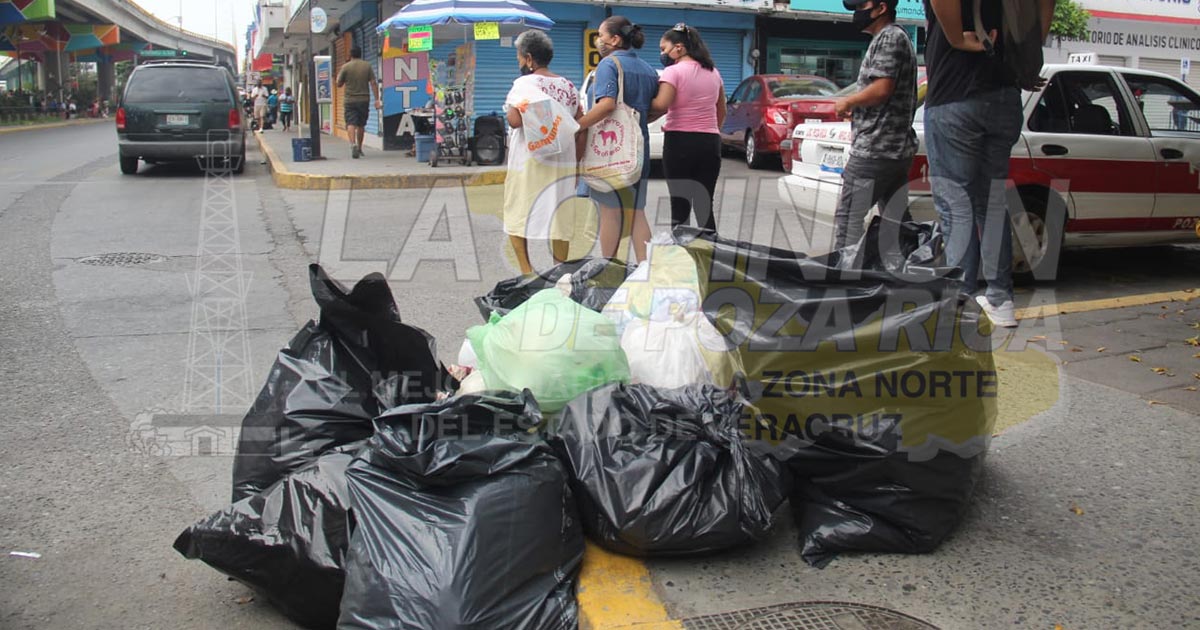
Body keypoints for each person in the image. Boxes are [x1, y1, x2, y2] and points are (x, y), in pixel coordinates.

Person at [924, 0, 1055, 327]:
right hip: (1004, 95)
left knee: (957, 204)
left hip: (955, 90)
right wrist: (1026, 53)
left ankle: (961, 303)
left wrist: (955, 38)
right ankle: (1000, 299)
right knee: (990, 202)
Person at [829, 0, 919, 252]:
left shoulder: (889, 38)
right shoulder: (894, 37)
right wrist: (857, 107)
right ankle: (907, 274)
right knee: (897, 220)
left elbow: (882, 89)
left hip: (876, 148)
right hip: (893, 149)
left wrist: (848, 100)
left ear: (881, 8)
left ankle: (844, 282)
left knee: (849, 219)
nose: (857, 11)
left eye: (862, 5)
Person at [576, 16, 659, 263]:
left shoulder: (608, 65)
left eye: (601, 35)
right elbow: (654, 107)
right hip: (637, 151)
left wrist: (576, 126)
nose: (598, 40)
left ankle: (609, 270)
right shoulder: (647, 69)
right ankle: (646, 268)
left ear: (615, 39)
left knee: (610, 212)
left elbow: (607, 105)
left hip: (611, 152)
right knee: (636, 212)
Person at [503, 30, 581, 275]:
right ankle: (559, 271)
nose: (518, 62)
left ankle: (528, 272)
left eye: (519, 57)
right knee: (560, 217)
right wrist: (577, 163)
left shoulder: (523, 84)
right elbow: (580, 123)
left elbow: (515, 121)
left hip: (529, 162)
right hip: (563, 162)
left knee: (517, 213)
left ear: (528, 58)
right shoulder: (568, 86)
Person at [650, 23, 726, 233]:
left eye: (664, 49)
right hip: (710, 143)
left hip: (680, 142)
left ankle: (681, 259)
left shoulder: (673, 72)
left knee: (680, 206)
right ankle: (712, 258)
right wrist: (711, 131)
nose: (662, 54)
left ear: (679, 48)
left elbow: (661, 105)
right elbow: (722, 110)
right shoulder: (714, 73)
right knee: (704, 205)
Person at [336, 46, 382, 159]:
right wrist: (377, 99)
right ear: (361, 54)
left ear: (350, 55)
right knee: (361, 124)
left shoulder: (345, 67)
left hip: (350, 100)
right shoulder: (367, 66)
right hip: (364, 99)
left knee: (351, 123)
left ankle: (353, 145)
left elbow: (338, 83)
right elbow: (373, 83)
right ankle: (360, 147)